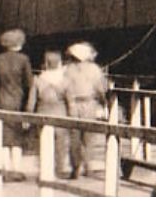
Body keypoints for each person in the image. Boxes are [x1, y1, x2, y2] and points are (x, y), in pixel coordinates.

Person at [62, 42, 109, 178]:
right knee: (89, 137)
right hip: (89, 103)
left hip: (72, 104)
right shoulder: (94, 69)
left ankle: (75, 167)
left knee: (74, 137)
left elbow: (64, 88)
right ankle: (88, 166)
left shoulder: (68, 70)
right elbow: (100, 88)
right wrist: (104, 101)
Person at [0, 28, 33, 170]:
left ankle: (6, 168)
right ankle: (16, 168)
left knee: (3, 138)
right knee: (17, 138)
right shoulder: (24, 59)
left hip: (0, 99)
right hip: (18, 100)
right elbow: (29, 83)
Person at [30, 50, 71, 178]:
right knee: (61, 145)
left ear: (45, 64)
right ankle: (59, 169)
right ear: (59, 63)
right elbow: (70, 100)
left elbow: (32, 101)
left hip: (43, 113)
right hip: (61, 113)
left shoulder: (37, 80)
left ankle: (45, 169)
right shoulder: (65, 80)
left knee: (44, 143)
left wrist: (29, 116)